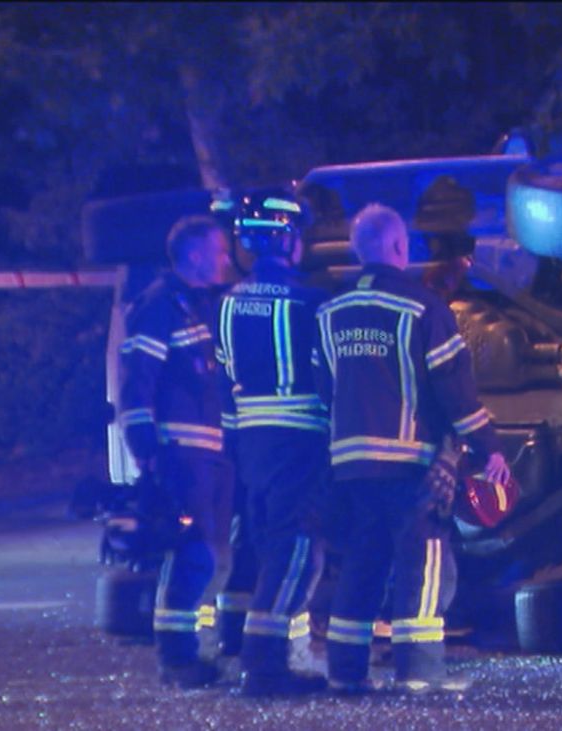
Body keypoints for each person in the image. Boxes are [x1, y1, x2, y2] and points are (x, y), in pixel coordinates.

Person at [313, 203, 511, 695]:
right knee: (420, 561)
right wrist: (489, 450)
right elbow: (455, 391)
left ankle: (345, 671)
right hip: (411, 464)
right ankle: (419, 672)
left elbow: (323, 387)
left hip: (352, 466)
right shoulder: (424, 309)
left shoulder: (328, 313)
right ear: (401, 248)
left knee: (362, 562)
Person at [215, 188, 333, 697]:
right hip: (300, 440)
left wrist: (233, 442)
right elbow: (325, 377)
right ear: (288, 242)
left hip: (250, 446)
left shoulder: (227, 303)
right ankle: (265, 667)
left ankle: (259, 657)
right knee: (297, 550)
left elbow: (224, 381)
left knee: (265, 544)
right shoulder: (308, 302)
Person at [117, 214, 235, 688]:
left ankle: (192, 655)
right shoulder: (159, 307)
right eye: (220, 250)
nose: (228, 258)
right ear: (194, 255)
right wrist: (147, 448)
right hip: (181, 454)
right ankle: (178, 659)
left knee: (209, 558)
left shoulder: (201, 305)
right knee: (195, 556)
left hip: (210, 455)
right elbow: (135, 385)